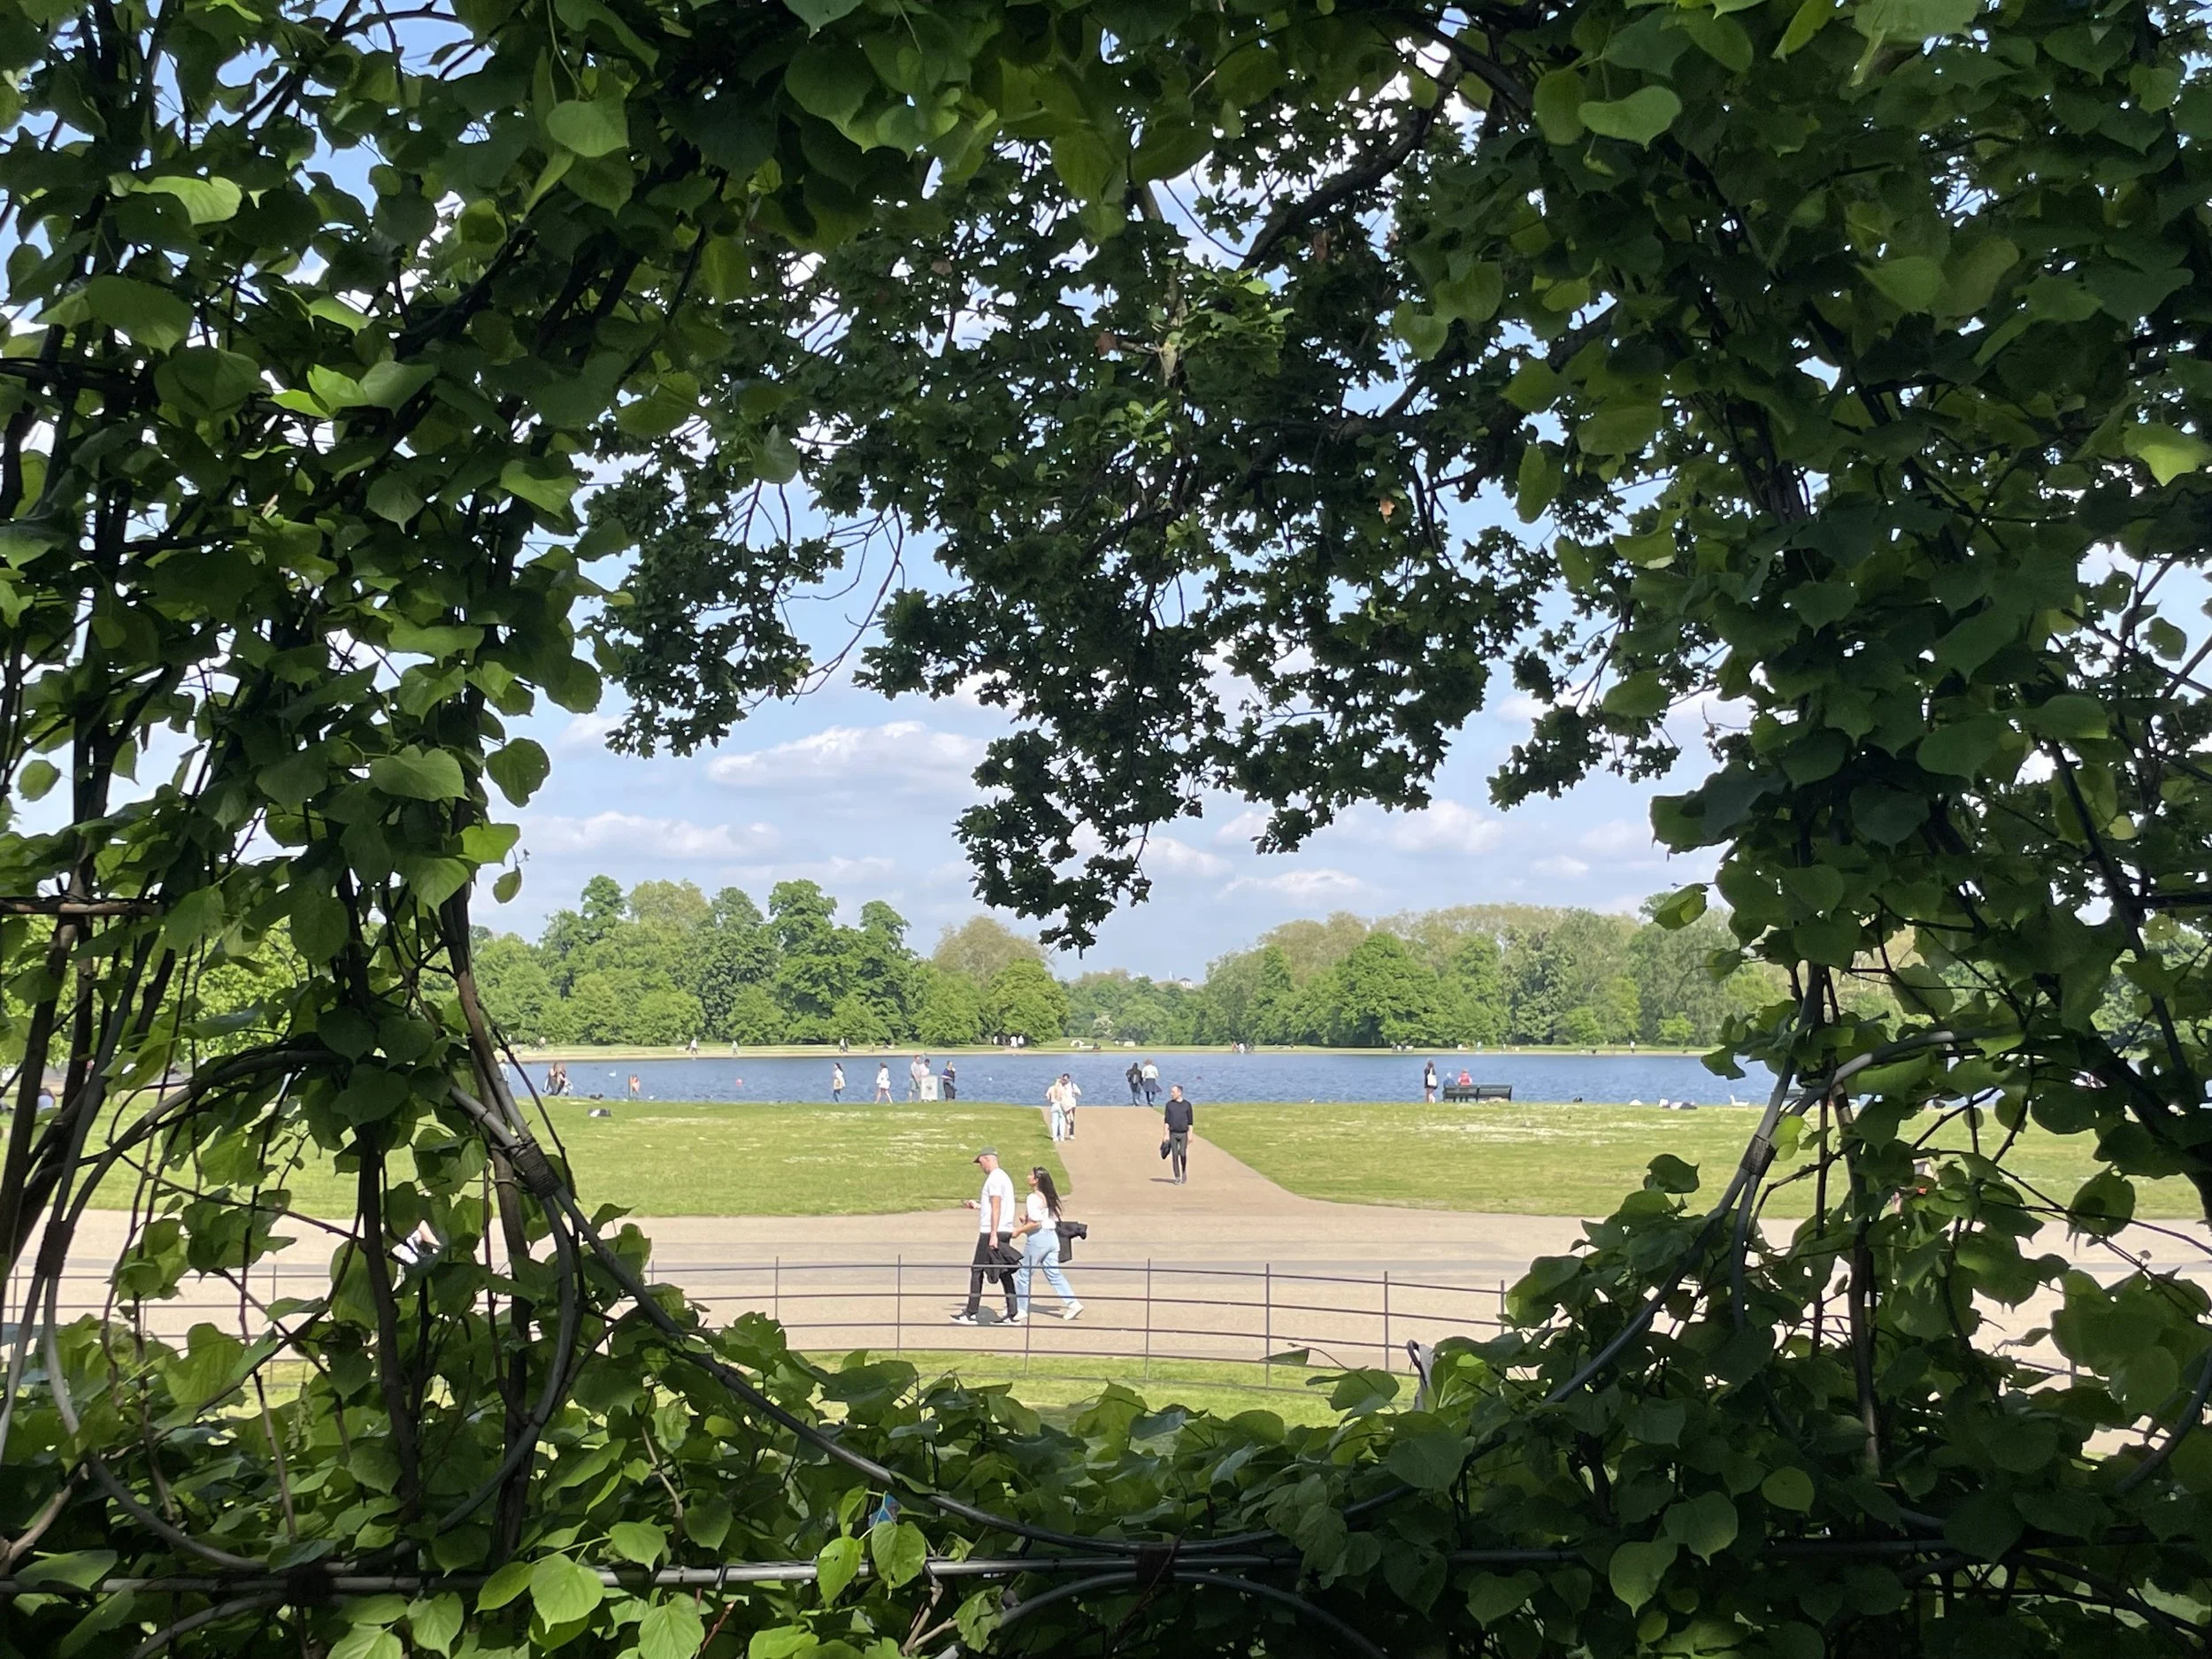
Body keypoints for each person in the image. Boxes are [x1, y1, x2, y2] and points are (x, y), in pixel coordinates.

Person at [951, 1147, 1018, 1325]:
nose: (981, 1167)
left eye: (981, 1163)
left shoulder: (994, 1179)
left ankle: (971, 1313)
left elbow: (996, 1206)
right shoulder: (1004, 1177)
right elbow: (995, 1206)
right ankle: (1013, 1312)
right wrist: (979, 1206)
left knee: (977, 1269)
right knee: (1004, 1272)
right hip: (1002, 1228)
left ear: (987, 1159)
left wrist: (993, 1234)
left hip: (991, 1231)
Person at [1010, 1166, 1081, 1323]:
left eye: (1031, 1175)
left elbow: (1035, 1223)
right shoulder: (1046, 1197)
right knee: (1053, 1273)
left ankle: (1021, 1308)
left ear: (1036, 1180)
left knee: (1024, 1274)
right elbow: (1041, 1217)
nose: (1028, 1177)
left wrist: (1019, 1231)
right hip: (1052, 1238)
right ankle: (1072, 1302)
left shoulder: (1033, 1197)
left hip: (1038, 1239)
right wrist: (1027, 1219)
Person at [1163, 1085, 1194, 1184]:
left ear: (1179, 1092)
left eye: (1173, 1092)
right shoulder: (1169, 1105)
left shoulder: (1187, 1105)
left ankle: (1184, 1170)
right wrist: (1165, 1134)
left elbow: (1190, 1122)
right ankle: (1177, 1176)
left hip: (1183, 1133)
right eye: (1171, 1092)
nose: (1171, 1094)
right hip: (1173, 1133)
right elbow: (1166, 1121)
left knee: (1183, 1153)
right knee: (1175, 1155)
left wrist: (1190, 1134)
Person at [1046, 1076, 1068, 1142]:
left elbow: (1047, 1097)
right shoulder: (1063, 1089)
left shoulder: (1051, 1088)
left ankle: (1055, 1137)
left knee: (1054, 1122)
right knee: (1062, 1121)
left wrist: (1051, 1099)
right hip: (1061, 1105)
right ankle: (1062, 1137)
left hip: (1054, 1105)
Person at [1061, 1072, 1081, 1139]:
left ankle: (1071, 1134)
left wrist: (1075, 1092)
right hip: (1063, 1104)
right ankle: (1061, 1134)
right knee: (1063, 1119)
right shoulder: (1061, 1085)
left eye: (1066, 1080)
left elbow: (1079, 1093)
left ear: (1069, 1079)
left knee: (1071, 1119)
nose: (1065, 1081)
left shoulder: (1073, 1085)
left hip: (1072, 1104)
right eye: (1064, 1079)